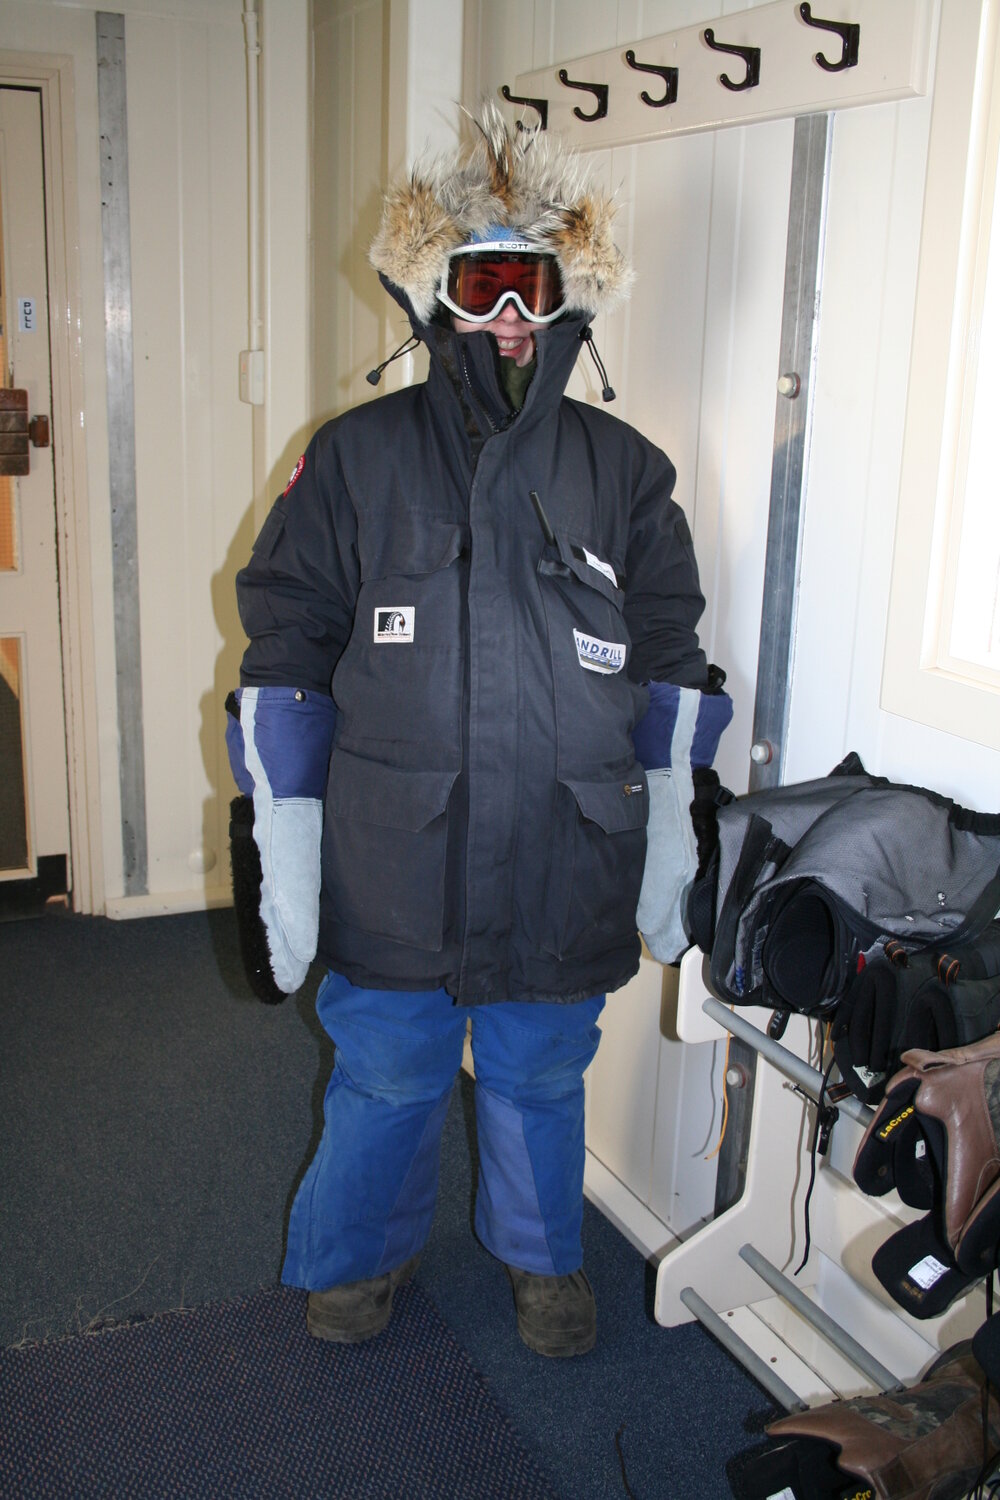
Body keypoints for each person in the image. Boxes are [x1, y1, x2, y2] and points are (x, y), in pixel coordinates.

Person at [225, 104, 731, 1359]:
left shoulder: (627, 469)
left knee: (538, 1077)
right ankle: (357, 1259)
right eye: (480, 281)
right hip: (393, 846)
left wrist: (676, 833)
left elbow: (670, 655)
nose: (508, 311)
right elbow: (284, 650)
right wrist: (283, 846)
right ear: (433, 293)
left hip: (565, 849)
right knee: (386, 1078)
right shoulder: (348, 459)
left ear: (571, 297)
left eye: (532, 283)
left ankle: (541, 1260)